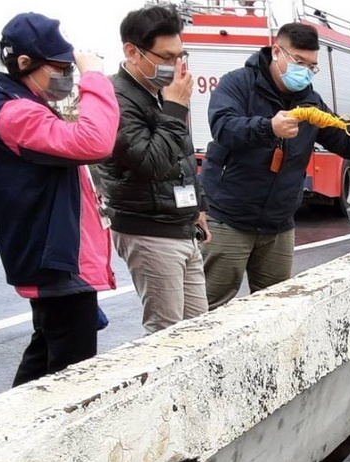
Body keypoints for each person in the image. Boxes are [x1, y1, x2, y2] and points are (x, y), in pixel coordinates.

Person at [200, 22, 350, 310]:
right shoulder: (238, 83)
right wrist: (269, 127)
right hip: (229, 217)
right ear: (277, 52)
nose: (304, 71)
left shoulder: (310, 100)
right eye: (299, 62)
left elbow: (343, 138)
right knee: (212, 307)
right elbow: (223, 127)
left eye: (312, 65)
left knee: (275, 308)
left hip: (279, 223)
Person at [0, 12, 118, 386]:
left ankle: (4, 436)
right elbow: (95, 142)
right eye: (60, 67)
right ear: (25, 64)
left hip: (53, 256)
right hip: (55, 260)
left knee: (43, 365)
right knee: (71, 377)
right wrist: (95, 78)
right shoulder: (13, 111)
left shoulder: (13, 104)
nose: (68, 75)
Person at [98, 4, 208, 333]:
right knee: (167, 334)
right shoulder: (116, 98)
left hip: (179, 225)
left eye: (179, 56)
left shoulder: (160, 93)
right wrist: (175, 108)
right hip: (147, 228)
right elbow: (150, 163)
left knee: (201, 329)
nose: (175, 66)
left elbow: (181, 157)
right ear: (132, 51)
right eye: (165, 57)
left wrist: (198, 208)